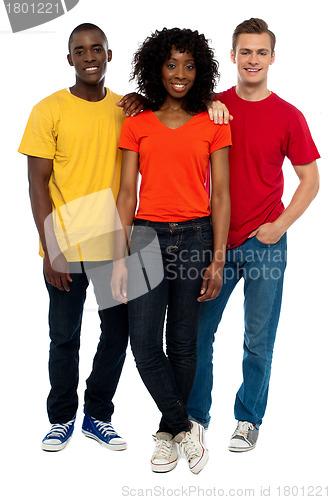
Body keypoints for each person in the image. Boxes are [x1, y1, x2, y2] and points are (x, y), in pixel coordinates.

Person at [187, 18, 320, 452]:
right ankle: (194, 418)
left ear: (272, 58)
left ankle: (248, 419)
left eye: (261, 52)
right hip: (215, 242)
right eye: (245, 51)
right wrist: (206, 100)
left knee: (258, 339)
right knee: (198, 334)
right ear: (233, 56)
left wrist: (279, 226)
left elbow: (310, 180)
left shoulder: (288, 115)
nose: (252, 59)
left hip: (266, 243)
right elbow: (170, 104)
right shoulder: (213, 105)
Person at [18, 23, 144, 452]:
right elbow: (38, 186)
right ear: (69, 59)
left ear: (109, 55)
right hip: (65, 246)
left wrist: (142, 103)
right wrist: (51, 249)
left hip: (115, 245)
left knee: (117, 334)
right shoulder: (47, 110)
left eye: (97, 49)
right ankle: (61, 418)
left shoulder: (126, 110)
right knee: (64, 335)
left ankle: (97, 415)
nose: (89, 56)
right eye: (80, 50)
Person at [111, 28, 231, 473]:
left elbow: (221, 195)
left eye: (189, 65)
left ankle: (165, 434)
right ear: (155, 68)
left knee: (182, 343)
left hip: (196, 236)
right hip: (145, 237)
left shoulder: (211, 123)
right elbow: (126, 194)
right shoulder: (136, 124)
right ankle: (184, 428)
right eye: (171, 64)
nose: (180, 74)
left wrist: (217, 259)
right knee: (143, 343)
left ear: (199, 71)